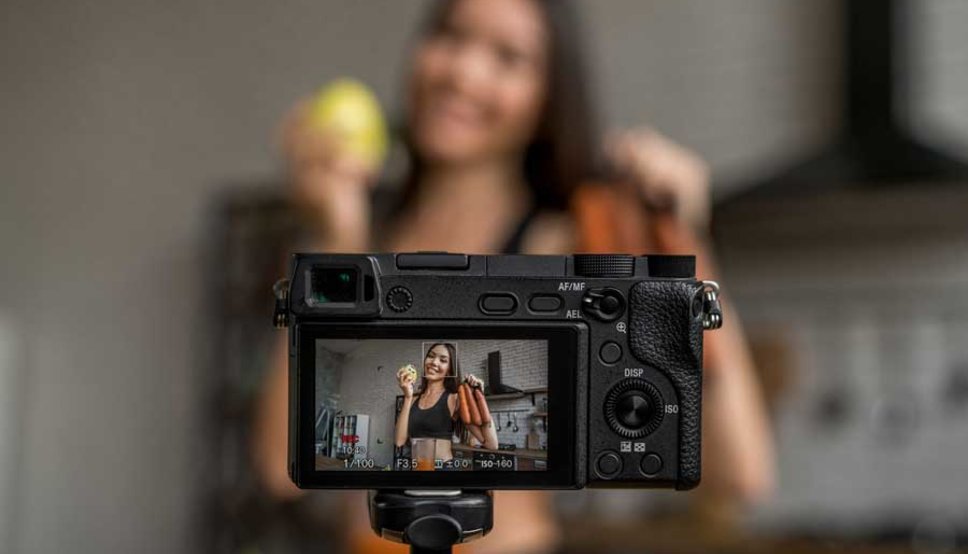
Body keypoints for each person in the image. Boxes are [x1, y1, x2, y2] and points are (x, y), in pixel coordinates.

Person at [253, 0, 775, 552]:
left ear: (548, 94)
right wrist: (337, 233)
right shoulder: (368, 233)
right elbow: (277, 465)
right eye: (451, 37)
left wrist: (682, 247)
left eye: (508, 57)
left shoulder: (568, 245)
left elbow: (742, 473)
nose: (463, 73)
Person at [394, 343, 498, 464]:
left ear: (449, 370)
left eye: (442, 360)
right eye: (431, 356)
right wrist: (407, 397)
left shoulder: (455, 399)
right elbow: (399, 441)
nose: (434, 362)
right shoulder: (412, 399)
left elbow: (491, 444)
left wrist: (479, 398)